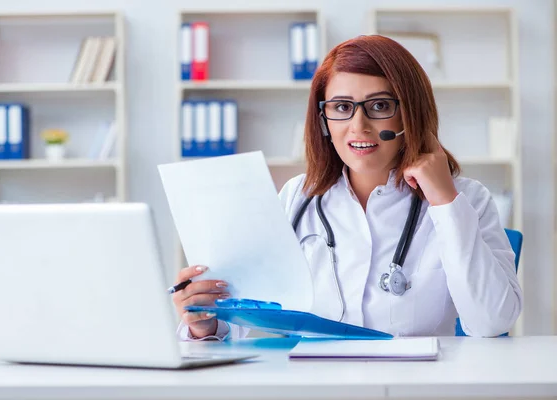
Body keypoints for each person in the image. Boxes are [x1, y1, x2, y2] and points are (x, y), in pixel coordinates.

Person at [173, 35, 523, 340]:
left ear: (410, 114)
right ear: (323, 119)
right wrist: (205, 323)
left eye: (380, 106)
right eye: (341, 107)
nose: (359, 125)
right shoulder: (298, 197)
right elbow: (247, 315)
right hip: (314, 385)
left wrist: (445, 202)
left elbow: (490, 322)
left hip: (415, 387)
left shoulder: (467, 198)